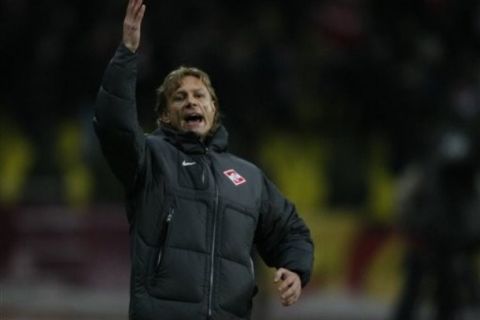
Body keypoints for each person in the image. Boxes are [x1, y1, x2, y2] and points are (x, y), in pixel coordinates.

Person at [93, 0, 314, 319]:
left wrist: (294, 268)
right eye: (179, 97)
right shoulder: (152, 160)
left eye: (199, 96)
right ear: (166, 116)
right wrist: (127, 52)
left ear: (214, 109)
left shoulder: (248, 178)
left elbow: (291, 229)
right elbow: (115, 126)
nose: (190, 102)